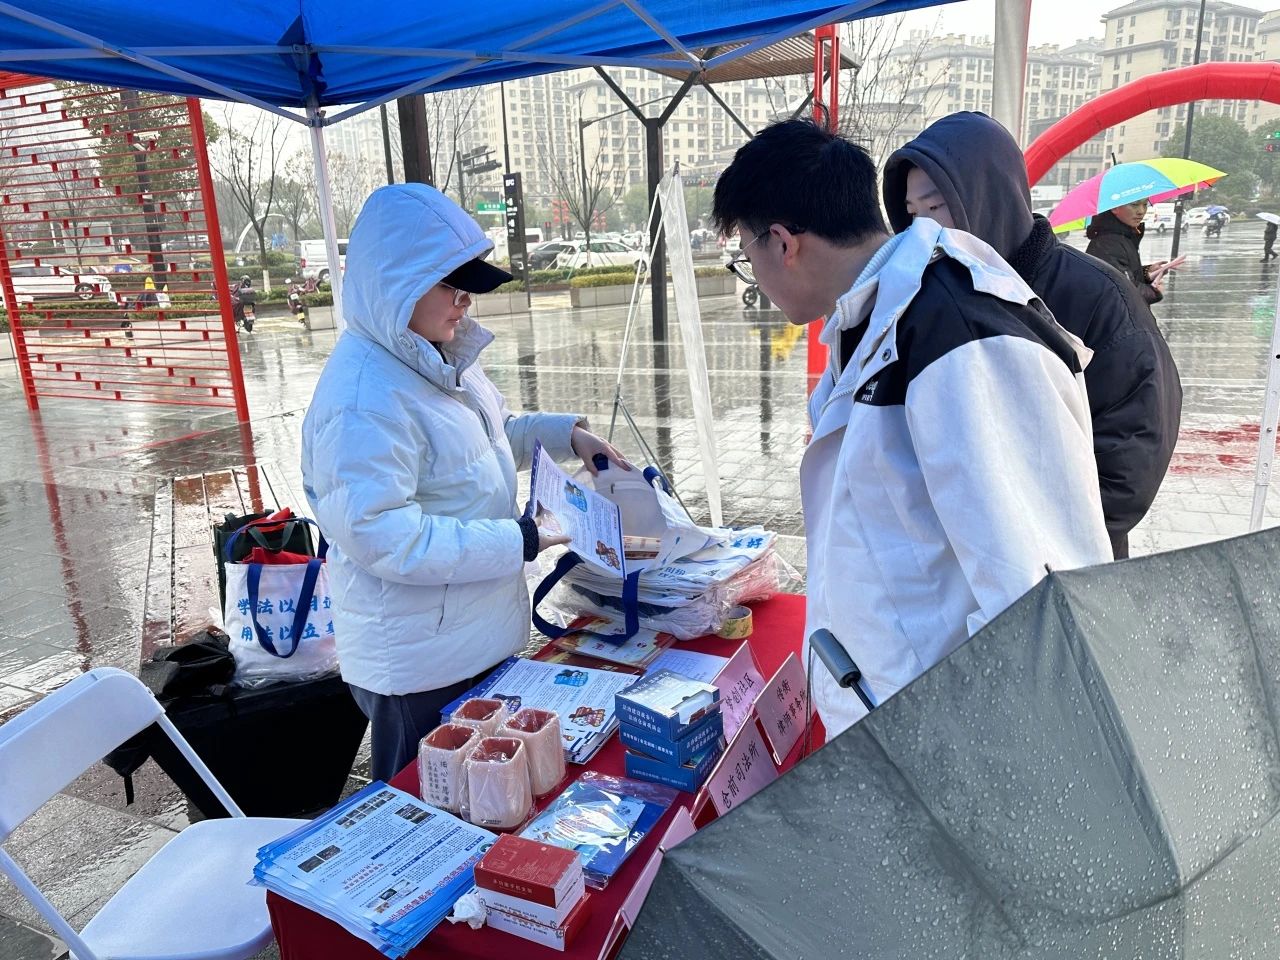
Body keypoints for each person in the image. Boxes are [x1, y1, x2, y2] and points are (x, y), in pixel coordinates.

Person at [713, 120, 1111, 737]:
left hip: (942, 735)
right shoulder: (876, 317)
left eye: (746, 256)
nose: (754, 279)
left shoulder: (958, 335)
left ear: (783, 242)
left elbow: (1033, 596)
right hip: (889, 709)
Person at [301, 183, 629, 781]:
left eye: (469, 288)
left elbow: (489, 439)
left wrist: (570, 436)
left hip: (472, 637)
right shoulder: (362, 399)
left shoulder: (437, 354)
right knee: (428, 807)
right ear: (397, 286)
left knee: (488, 801)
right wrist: (523, 538)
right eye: (451, 288)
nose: (465, 303)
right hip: (419, 664)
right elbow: (385, 537)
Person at [881, 112, 1183, 559]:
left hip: (1064, 559)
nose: (924, 230)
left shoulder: (1097, 296)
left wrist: (1031, 541)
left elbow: (1133, 456)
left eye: (937, 207)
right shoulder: (927, 298)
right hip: (961, 560)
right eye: (912, 214)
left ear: (989, 196)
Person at [1081, 201, 1172, 305]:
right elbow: (1123, 291)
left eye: (1145, 204)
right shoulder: (1109, 243)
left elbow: (1124, 274)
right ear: (1114, 208)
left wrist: (1147, 272)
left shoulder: (1123, 236)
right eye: (1134, 204)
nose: (1141, 211)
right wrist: (1153, 292)